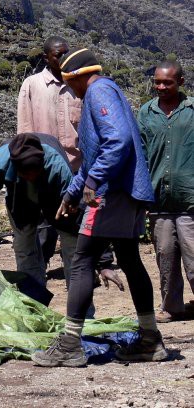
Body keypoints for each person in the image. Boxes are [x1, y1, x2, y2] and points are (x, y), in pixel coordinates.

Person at [32, 48, 167, 367]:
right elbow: (95, 156)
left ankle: (69, 345)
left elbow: (116, 142)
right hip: (124, 192)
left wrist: (91, 186)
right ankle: (150, 340)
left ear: (77, 77)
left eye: (70, 85)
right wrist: (73, 192)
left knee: (81, 261)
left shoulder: (98, 91)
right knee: (131, 261)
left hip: (111, 194)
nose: (72, 93)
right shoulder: (107, 91)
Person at [0, 133, 121, 303]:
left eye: (35, 172)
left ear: (42, 165)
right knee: (24, 247)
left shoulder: (57, 167)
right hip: (20, 197)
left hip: (55, 196)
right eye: (26, 173)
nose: (31, 177)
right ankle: (34, 302)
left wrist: (102, 263)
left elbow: (83, 216)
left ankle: (81, 308)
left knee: (73, 244)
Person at [137, 60, 194, 323]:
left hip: (190, 198)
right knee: (165, 257)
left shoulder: (192, 110)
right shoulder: (146, 113)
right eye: (157, 82)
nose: (160, 87)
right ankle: (172, 307)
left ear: (181, 82)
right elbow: (140, 154)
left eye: (167, 82)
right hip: (159, 199)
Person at [17, 36, 80, 267]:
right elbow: (25, 129)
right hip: (44, 168)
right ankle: (40, 269)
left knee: (74, 221)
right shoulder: (32, 85)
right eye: (58, 54)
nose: (63, 58)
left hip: (75, 167)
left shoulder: (77, 85)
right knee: (44, 222)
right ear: (46, 57)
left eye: (66, 52)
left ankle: (77, 270)